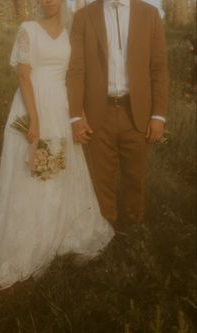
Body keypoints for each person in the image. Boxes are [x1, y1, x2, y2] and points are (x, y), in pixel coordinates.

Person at [0, 0, 114, 290]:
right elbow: (24, 76)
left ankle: (60, 233)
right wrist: (35, 122)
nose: (49, 1)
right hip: (33, 107)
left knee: (58, 170)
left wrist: (80, 116)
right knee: (34, 171)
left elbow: (71, 78)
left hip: (61, 107)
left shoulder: (69, 33)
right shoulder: (28, 29)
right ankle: (31, 243)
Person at [67, 0, 169, 228]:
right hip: (97, 114)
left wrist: (158, 115)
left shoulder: (149, 14)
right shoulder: (84, 16)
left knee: (135, 178)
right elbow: (76, 68)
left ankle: (133, 231)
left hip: (136, 113)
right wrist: (75, 116)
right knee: (102, 181)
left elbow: (159, 68)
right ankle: (105, 233)